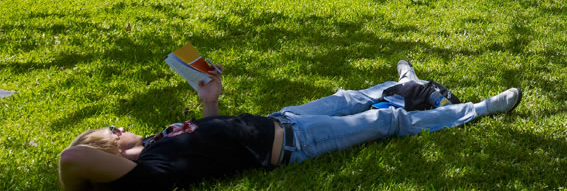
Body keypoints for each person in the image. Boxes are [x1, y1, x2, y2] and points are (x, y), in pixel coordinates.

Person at [57, 62, 521, 190]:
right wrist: (97, 159)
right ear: (108, 150)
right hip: (292, 144)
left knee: (350, 97)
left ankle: (407, 82)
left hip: (280, 120)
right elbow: (70, 158)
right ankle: (478, 109)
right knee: (386, 120)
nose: (120, 128)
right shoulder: (145, 177)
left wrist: (209, 103)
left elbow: (209, 144)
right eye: (113, 131)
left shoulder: (158, 146)